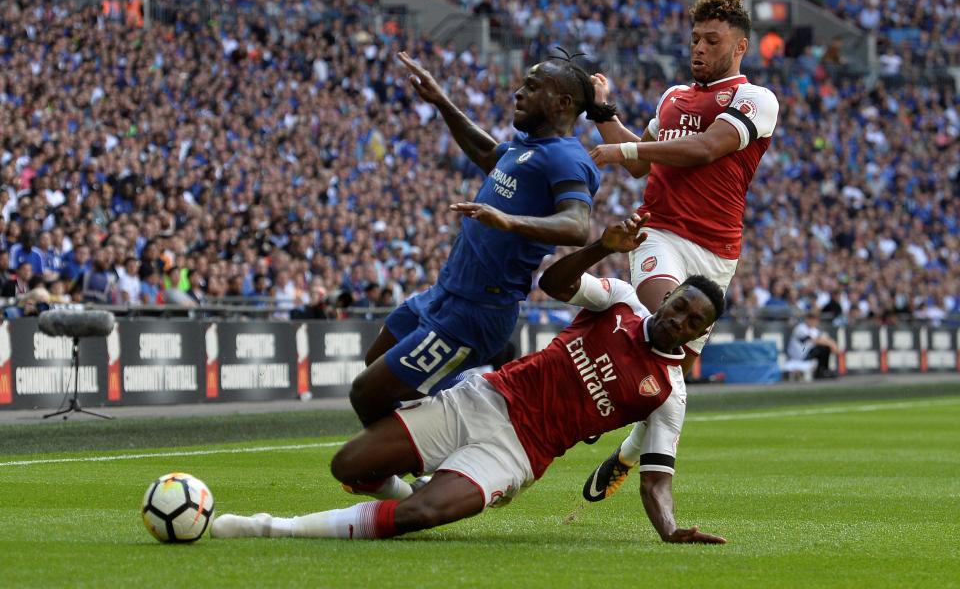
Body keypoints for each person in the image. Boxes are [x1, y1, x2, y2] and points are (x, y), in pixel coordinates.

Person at [210, 214, 727, 544]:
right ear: (671, 294)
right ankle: (400, 490)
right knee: (348, 465)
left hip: (519, 453)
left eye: (692, 322)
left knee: (422, 515)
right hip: (482, 400)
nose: (678, 320)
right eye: (680, 306)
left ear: (700, 333)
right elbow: (552, 283)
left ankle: (271, 528)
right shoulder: (621, 300)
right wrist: (599, 248)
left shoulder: (668, 391)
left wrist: (671, 530)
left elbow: (657, 479)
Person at [584, 0, 780, 502]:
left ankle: (628, 452)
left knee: (672, 373)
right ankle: (638, 454)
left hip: (717, 256)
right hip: (660, 234)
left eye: (711, 40)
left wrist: (625, 145)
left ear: (739, 47)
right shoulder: (672, 97)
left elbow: (703, 149)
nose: (699, 48)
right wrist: (602, 108)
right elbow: (640, 165)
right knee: (667, 334)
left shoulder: (755, 99)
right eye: (695, 38)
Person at [347, 50, 613, 426]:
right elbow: (486, 151)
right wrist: (442, 101)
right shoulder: (527, 147)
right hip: (445, 293)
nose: (519, 92)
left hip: (477, 311)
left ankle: (407, 481)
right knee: (376, 364)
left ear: (562, 103)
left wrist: (508, 221)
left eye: (532, 87)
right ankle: (473, 396)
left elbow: (576, 225)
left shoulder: (567, 159)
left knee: (366, 394)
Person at [787, 311, 841, 379]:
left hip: (807, 353)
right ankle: (822, 371)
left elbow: (825, 338)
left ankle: (823, 371)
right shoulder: (800, 328)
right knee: (822, 347)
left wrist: (833, 344)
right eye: (811, 318)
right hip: (799, 355)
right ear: (807, 319)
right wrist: (831, 344)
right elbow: (814, 340)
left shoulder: (814, 330)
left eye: (815, 319)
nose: (814, 321)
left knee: (825, 347)